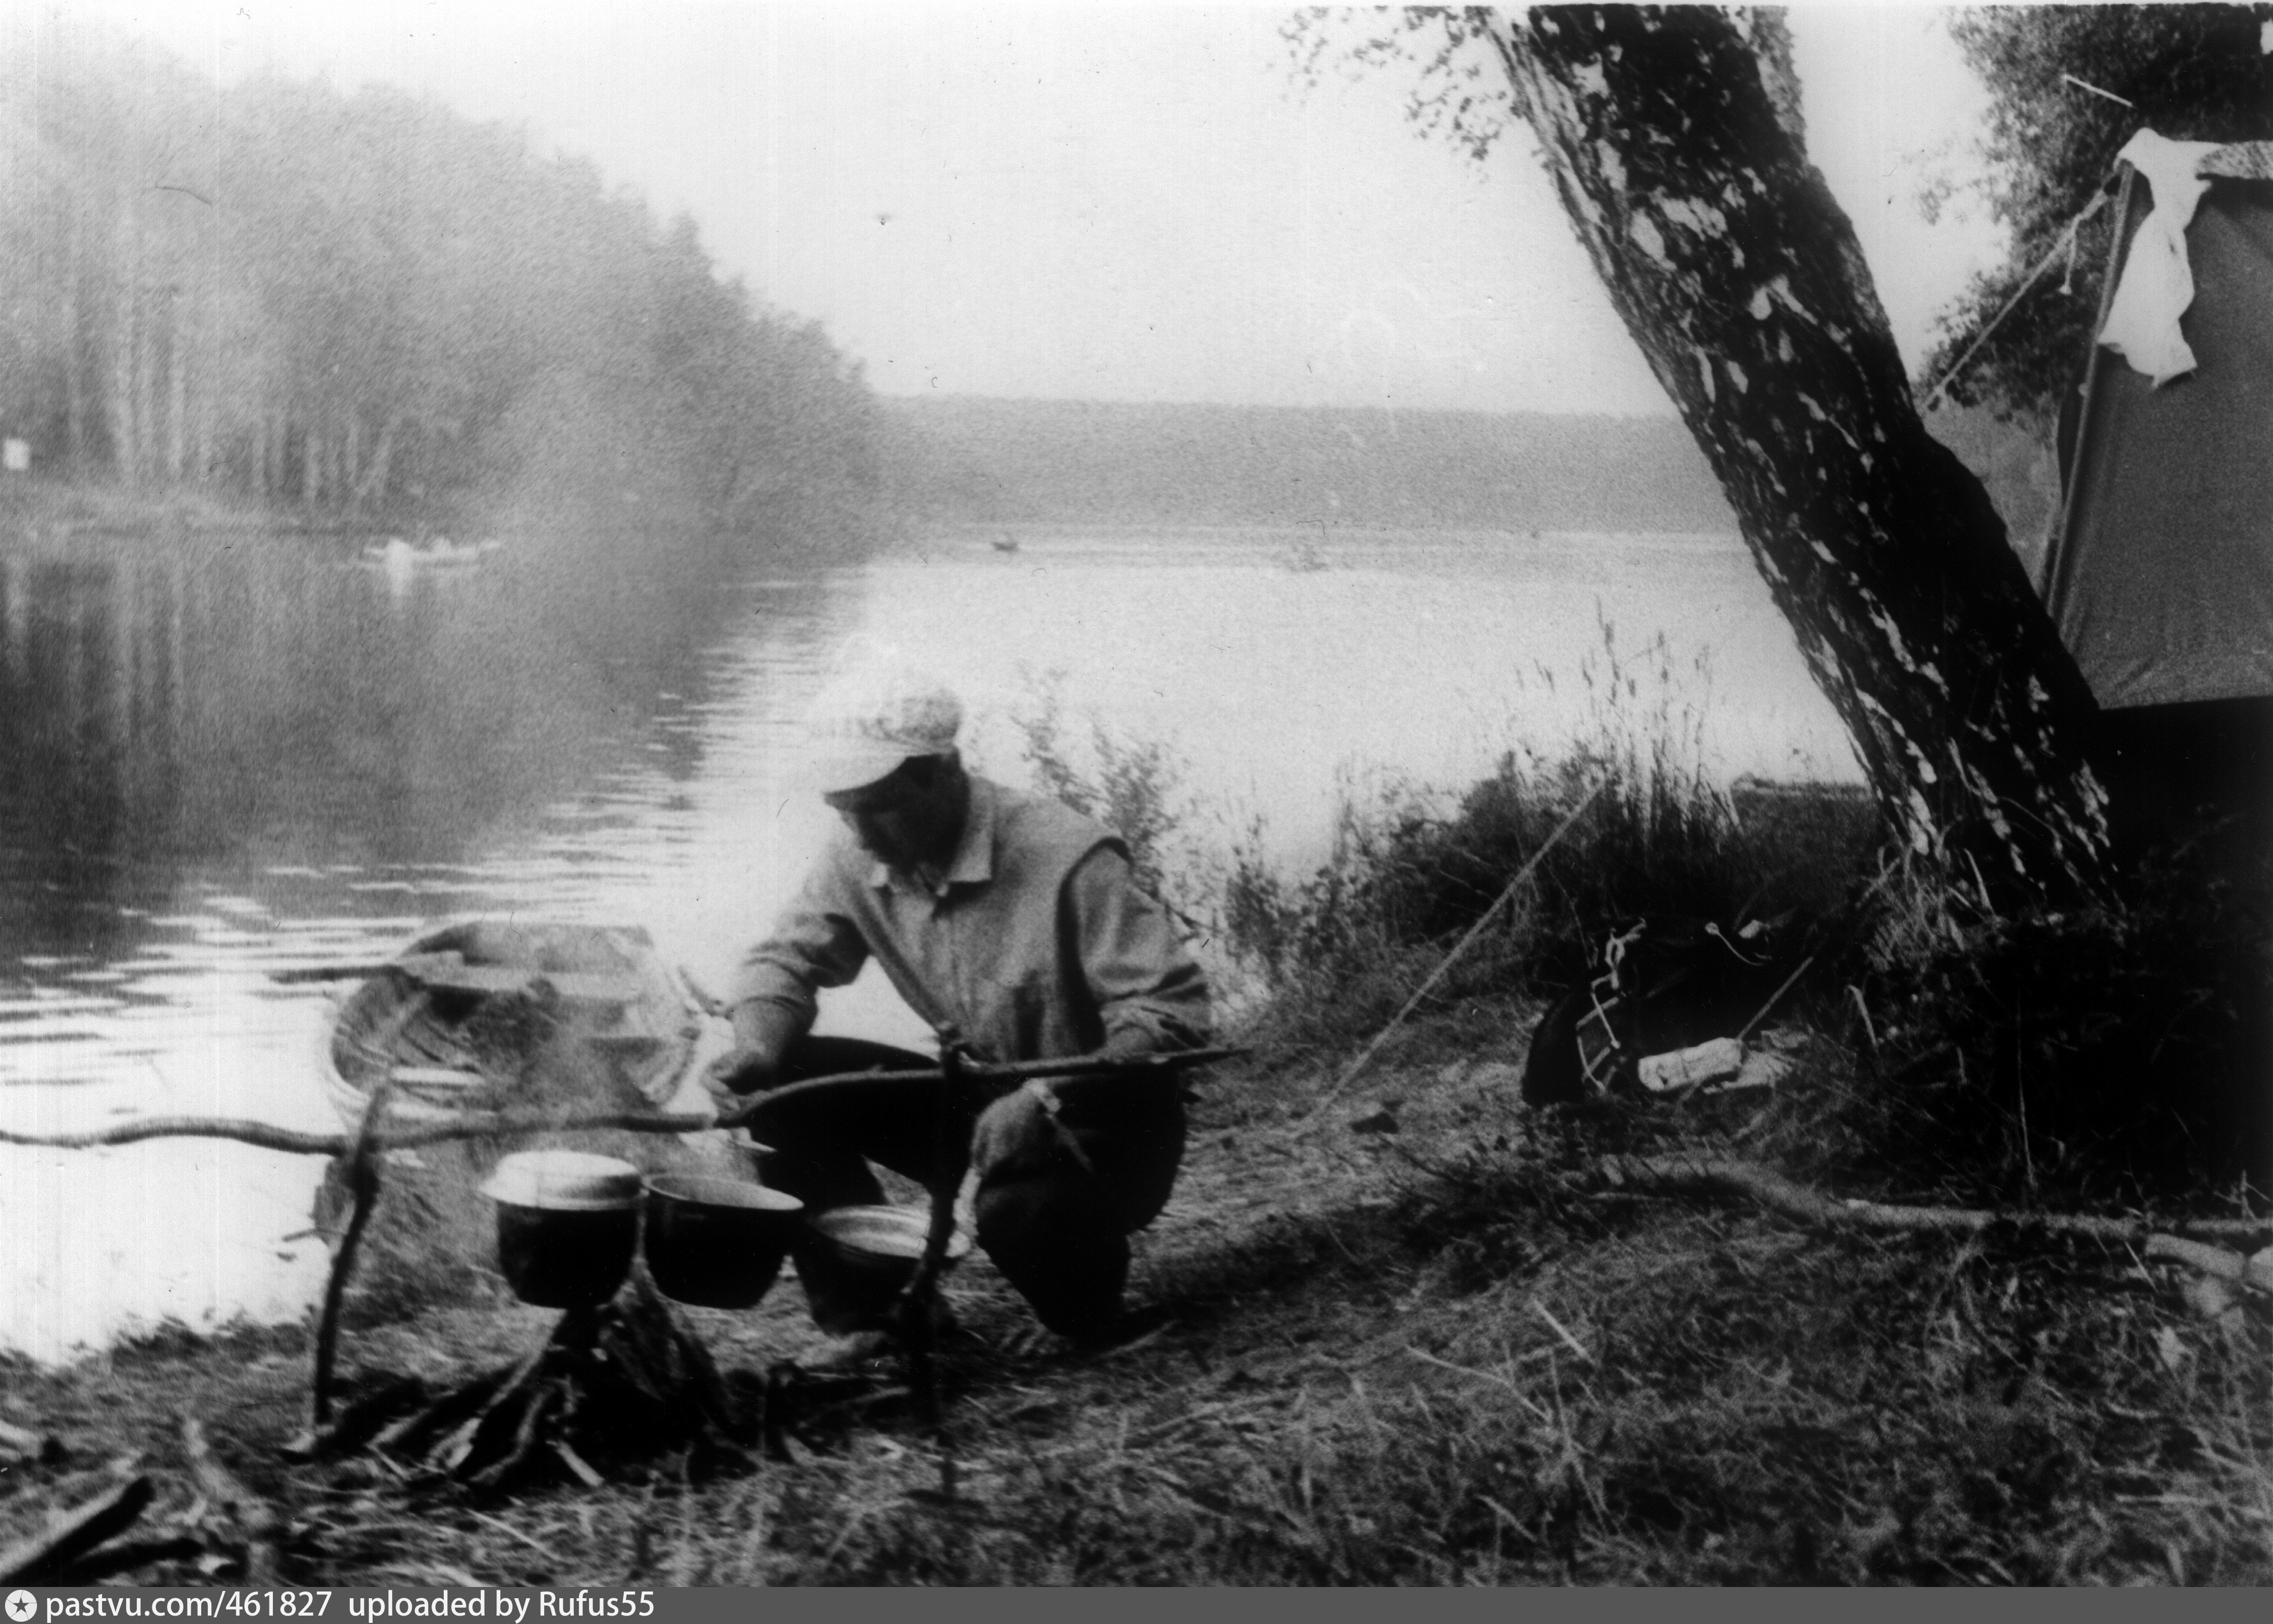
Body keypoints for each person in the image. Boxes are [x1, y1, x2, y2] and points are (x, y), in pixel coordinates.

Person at [711, 666, 1212, 1354]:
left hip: (1110, 1128)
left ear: (943, 772)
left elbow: (1169, 1017)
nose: (858, 834)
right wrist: (756, 1045)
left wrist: (1047, 1095)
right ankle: (878, 1318)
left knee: (1019, 1212)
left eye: (877, 807)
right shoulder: (858, 854)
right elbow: (783, 962)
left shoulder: (1067, 856)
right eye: (842, 810)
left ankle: (1087, 1314)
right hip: (985, 1102)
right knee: (785, 1084)